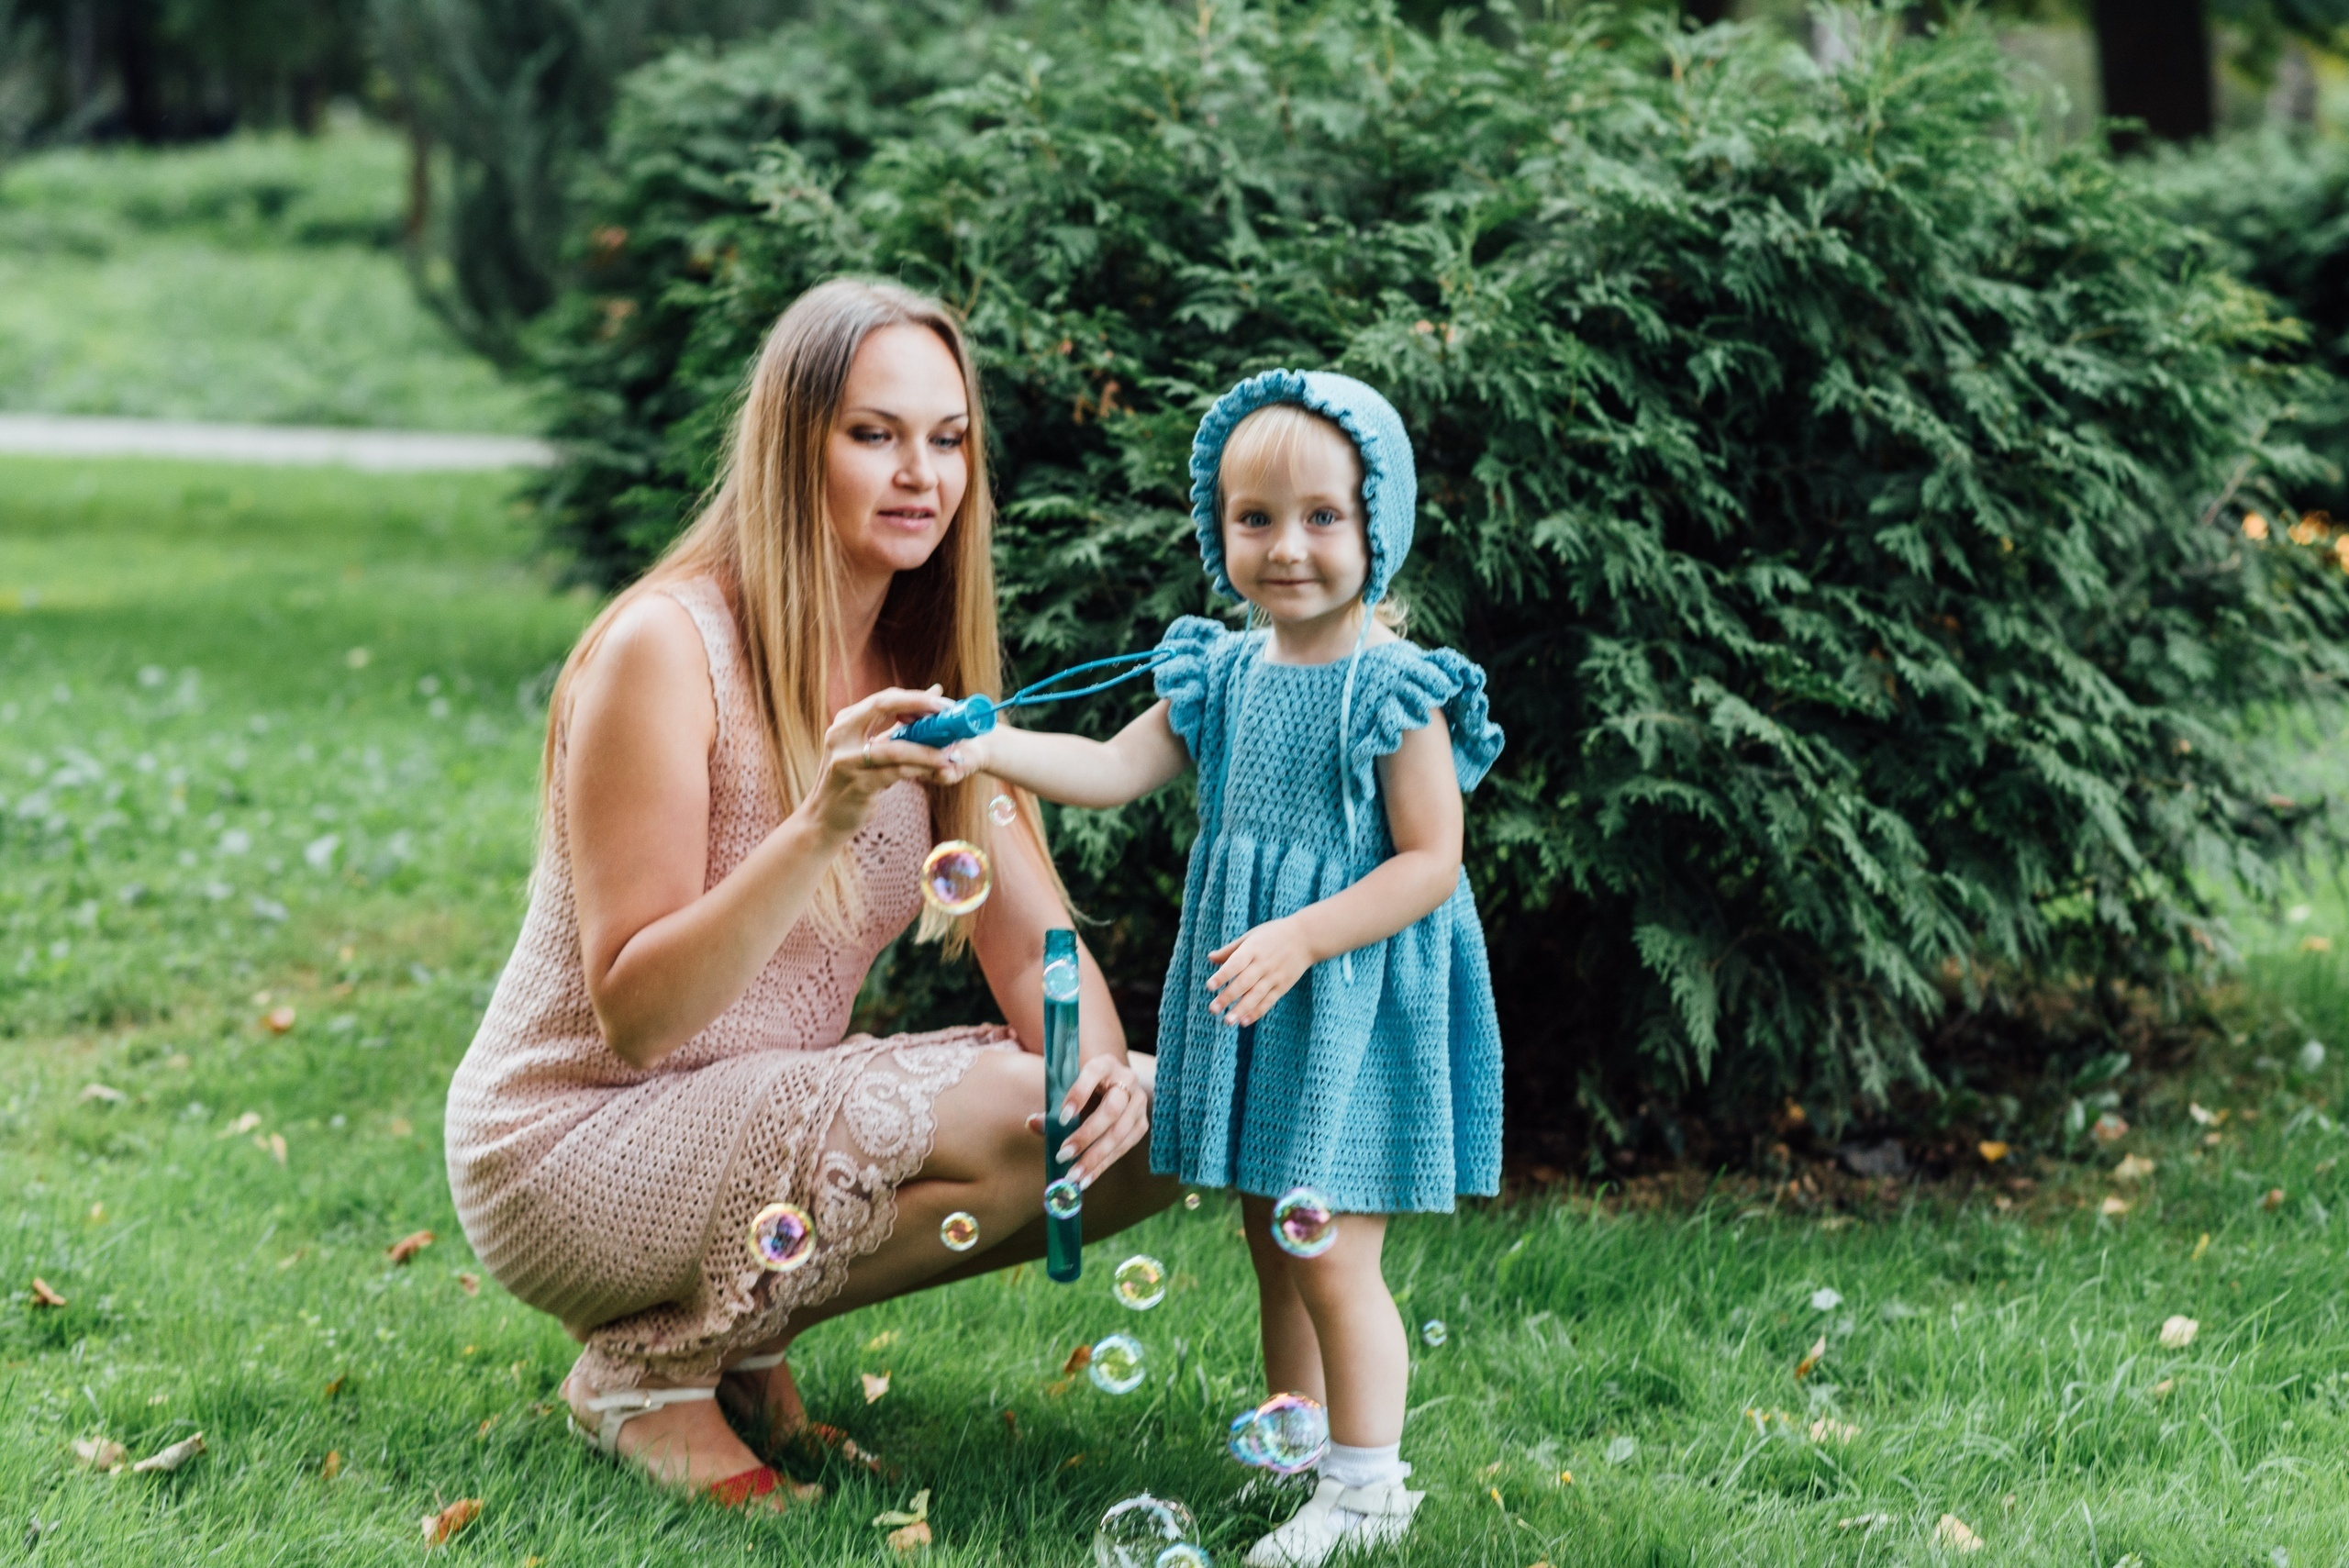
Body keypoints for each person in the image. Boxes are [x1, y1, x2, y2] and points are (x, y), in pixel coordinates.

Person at [442, 277, 1172, 1512]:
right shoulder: (668, 651)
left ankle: (740, 1347)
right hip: (575, 1143)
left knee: (1163, 1118)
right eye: (874, 434)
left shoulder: (929, 673)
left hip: (747, 1125)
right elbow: (639, 1017)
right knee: (1008, 1101)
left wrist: (1105, 1084)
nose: (919, 474)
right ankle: (648, 1374)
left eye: (948, 439)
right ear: (796, 443)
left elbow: (1038, 954)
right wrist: (822, 816)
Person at [943, 369, 1505, 1567]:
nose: (1286, 547)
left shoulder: (1391, 693)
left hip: (1348, 998)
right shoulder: (1225, 674)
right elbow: (1106, 766)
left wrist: (1305, 933)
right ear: (1219, 529)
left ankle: (1369, 1488)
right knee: (1272, 1228)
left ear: (1377, 529)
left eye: (1322, 518)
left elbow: (1431, 862)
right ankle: (1301, 1445)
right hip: (1261, 1006)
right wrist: (988, 743)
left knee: (1329, 1243)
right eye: (1255, 518)